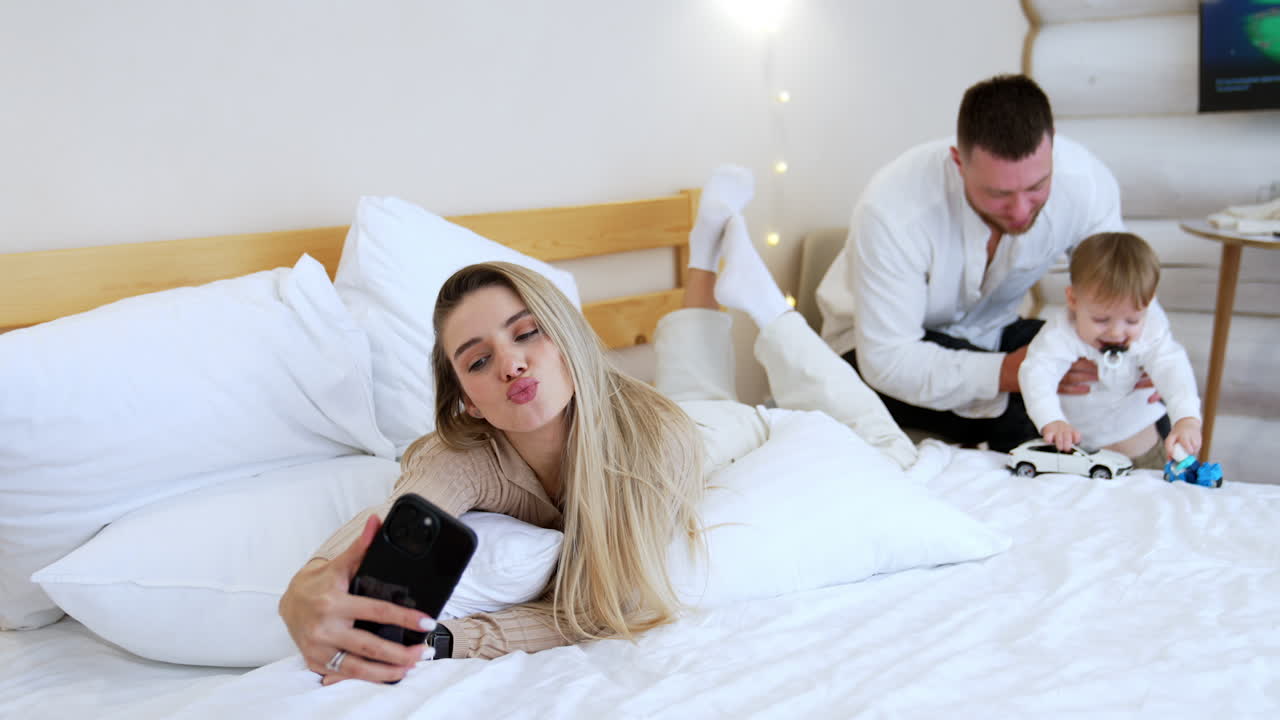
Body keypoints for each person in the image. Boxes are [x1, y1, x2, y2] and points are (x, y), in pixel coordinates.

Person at [278, 167, 915, 683]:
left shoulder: (655, 441)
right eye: (478, 360)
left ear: (570, 340)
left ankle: (767, 308)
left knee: (888, 449)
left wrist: (459, 638)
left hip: (716, 435)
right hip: (659, 408)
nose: (512, 361)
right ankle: (702, 258)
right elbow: (384, 528)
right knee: (691, 382)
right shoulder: (461, 454)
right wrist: (302, 595)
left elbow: (614, 605)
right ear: (467, 399)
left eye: (527, 332)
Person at [815, 73, 1133, 452]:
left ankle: (1170, 490)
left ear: (1051, 154)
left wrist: (1131, 350)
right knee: (1032, 406)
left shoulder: (1085, 183)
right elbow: (888, 361)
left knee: (1117, 384)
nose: (1019, 211)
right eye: (998, 194)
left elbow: (1118, 287)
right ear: (958, 163)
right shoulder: (892, 210)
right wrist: (1009, 371)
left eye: (1036, 188)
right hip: (873, 354)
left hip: (989, 330)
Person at [1019, 232, 1201, 469]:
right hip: (1081, 457)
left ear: (1148, 304)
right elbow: (1037, 372)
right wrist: (1051, 420)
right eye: (1101, 319)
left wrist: (1186, 418)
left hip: (1144, 452)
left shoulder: (1152, 330)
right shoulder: (1061, 333)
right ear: (1073, 299)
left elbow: (1173, 370)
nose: (1116, 333)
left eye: (1132, 321)